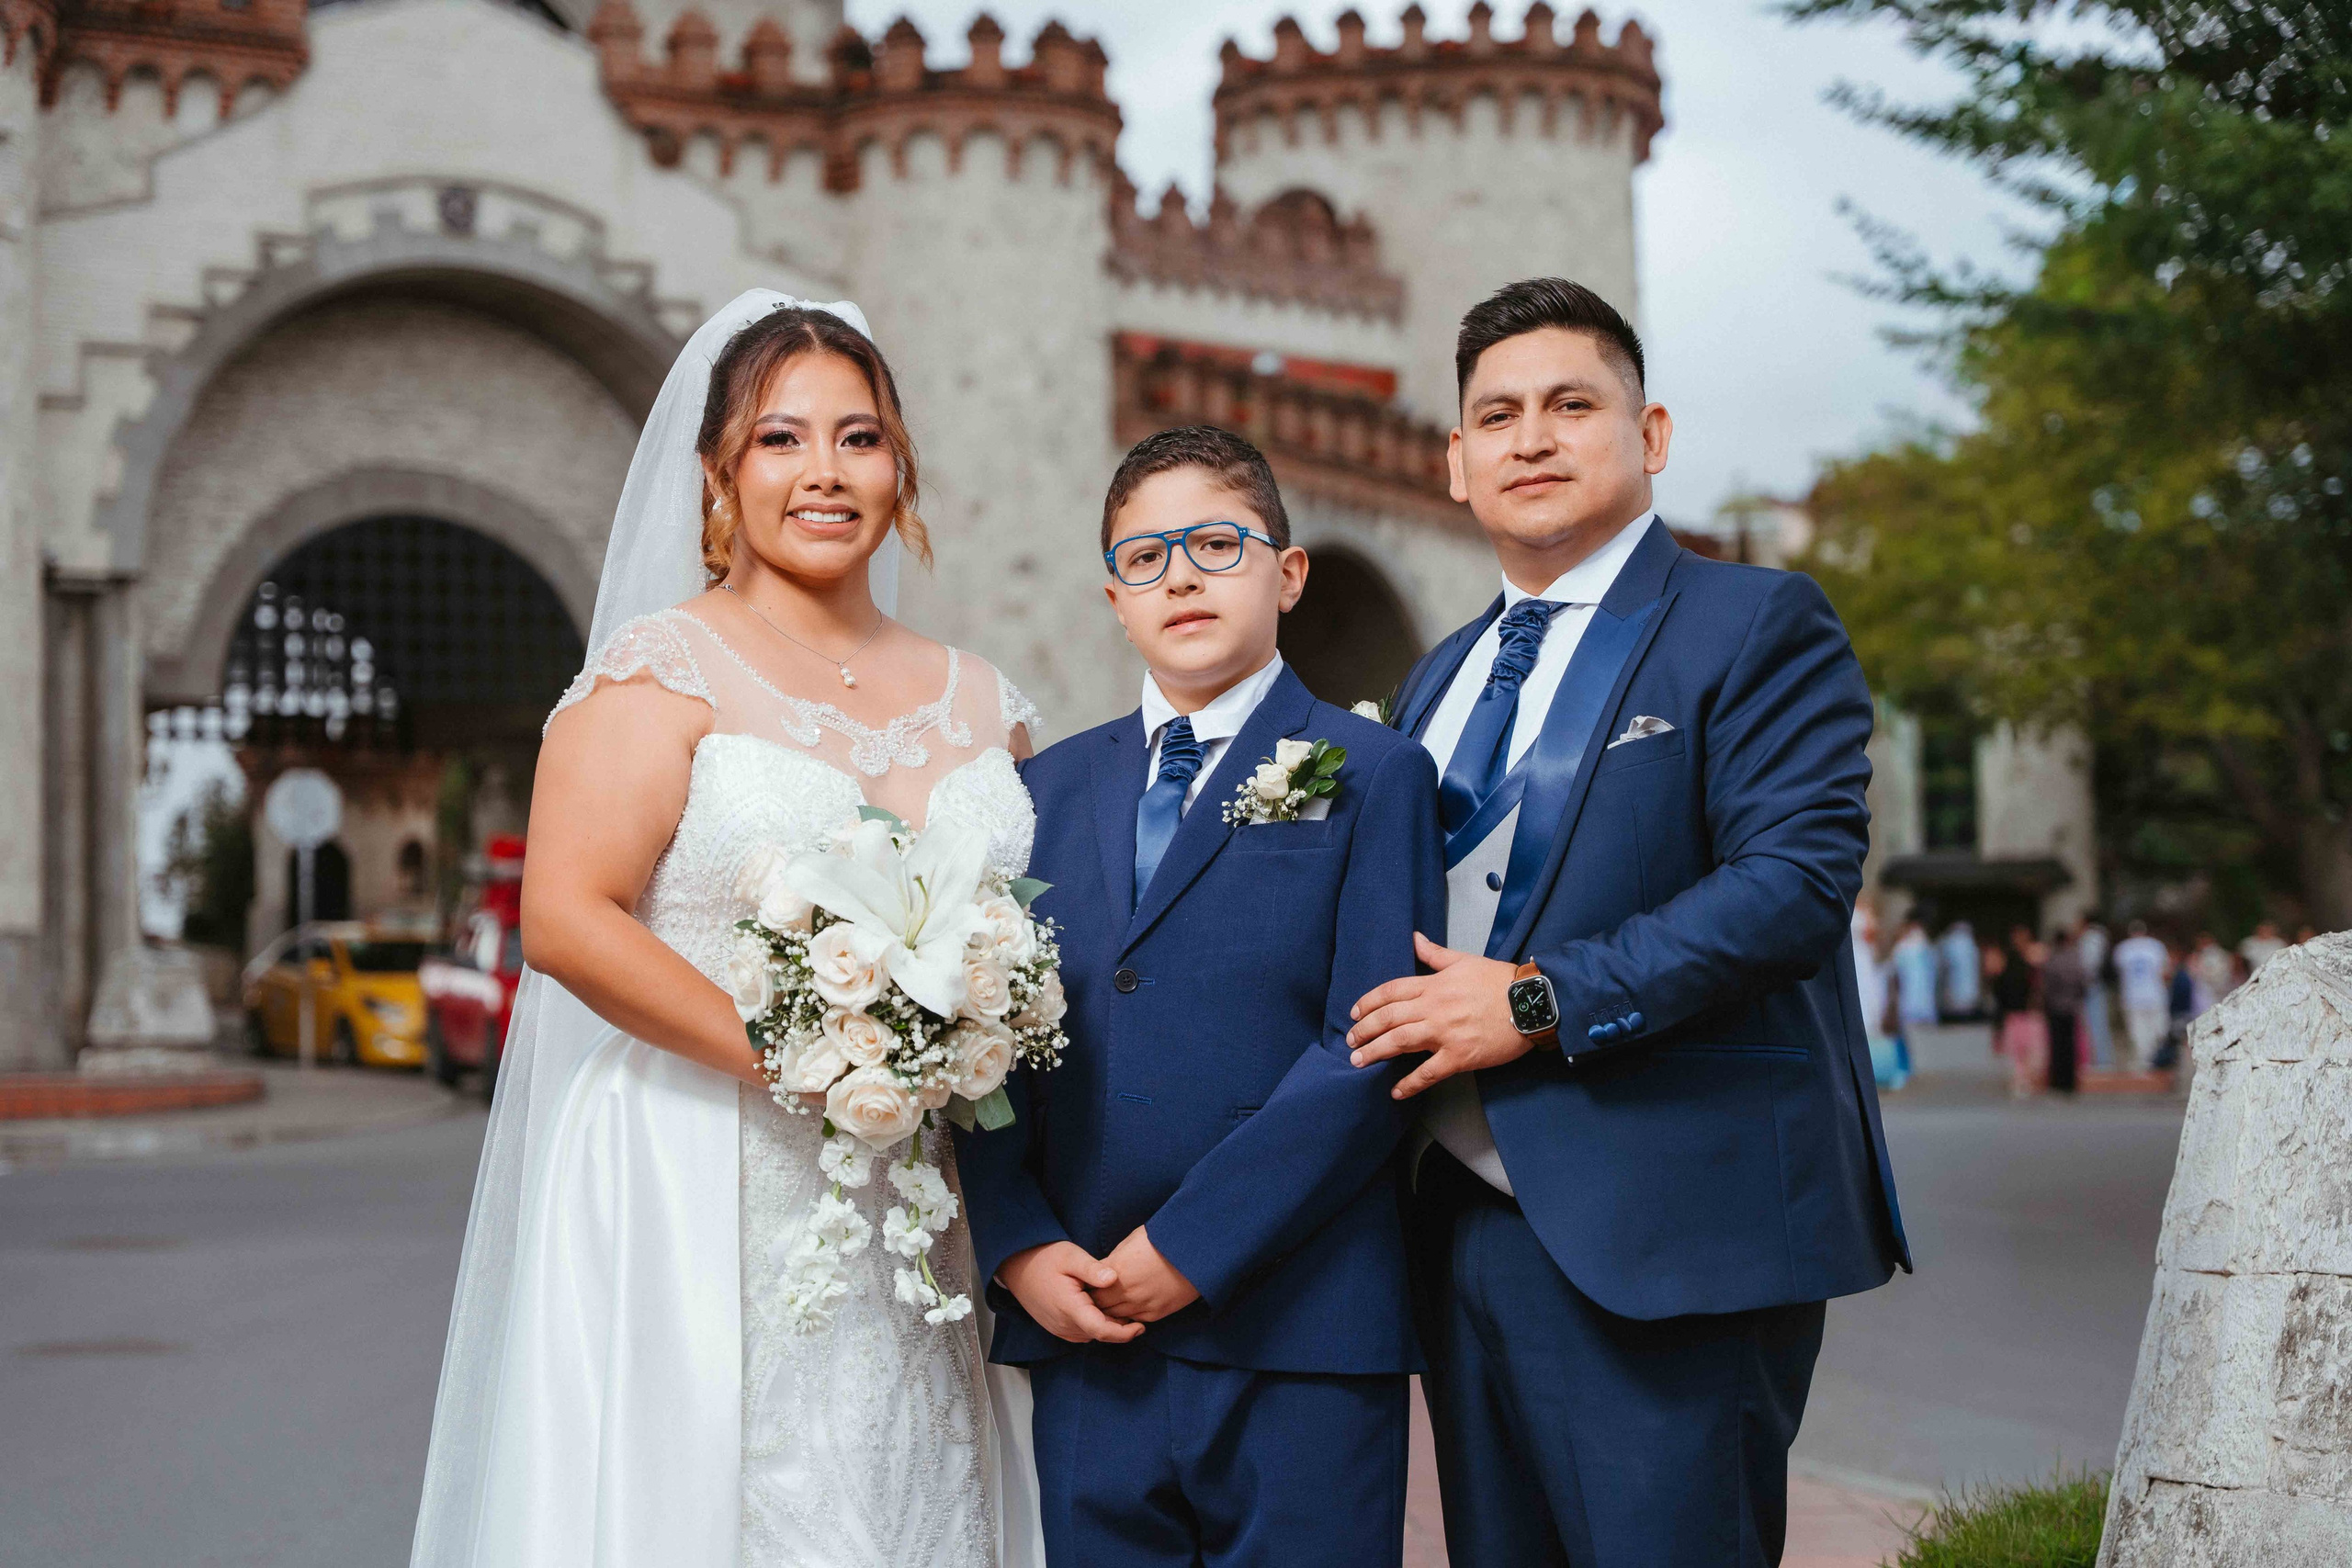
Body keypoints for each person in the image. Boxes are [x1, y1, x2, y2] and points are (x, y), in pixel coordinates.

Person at [409, 293, 1047, 1567]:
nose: (825, 471)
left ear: (900, 463)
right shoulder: (659, 672)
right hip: (699, 1177)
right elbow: (569, 918)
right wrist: (812, 1058)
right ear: (718, 473)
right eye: (780, 439)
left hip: (927, 1202)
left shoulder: (985, 699)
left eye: (859, 438)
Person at [1341, 279, 1907, 1568]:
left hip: (1665, 1226)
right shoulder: (1439, 672)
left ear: (1648, 434)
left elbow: (1794, 885)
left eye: (1569, 404)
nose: (1531, 438)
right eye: (1497, 415)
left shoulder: (1755, 622)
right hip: (1455, 1221)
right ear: (1456, 462)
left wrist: (1534, 999)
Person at [961, 426, 1443, 1568]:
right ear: (1114, 599)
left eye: (1216, 544)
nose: (1178, 574)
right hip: (1086, 1323)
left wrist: (1187, 1247)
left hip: (1300, 1329)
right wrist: (1021, 1243)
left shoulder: (1373, 773)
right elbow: (980, 1033)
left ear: (1288, 572)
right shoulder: (1042, 789)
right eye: (1144, 557)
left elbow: (1368, 1048)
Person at [1992, 925, 2045, 1097]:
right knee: (2024, 1052)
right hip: (2022, 1015)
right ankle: (2024, 1081)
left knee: (2023, 1053)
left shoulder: (2029, 963)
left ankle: (2023, 1081)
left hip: (2021, 1016)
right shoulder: (2023, 966)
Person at [2113, 919, 2170, 1071]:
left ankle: (2145, 1062)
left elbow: (2119, 973)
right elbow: (2165, 972)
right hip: (2155, 995)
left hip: (2133, 996)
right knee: (2157, 1030)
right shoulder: (2156, 946)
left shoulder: (2122, 949)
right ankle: (2157, 1060)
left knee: (2138, 1032)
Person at [2041, 928, 2086, 1096]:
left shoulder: (2052, 960)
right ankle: (2070, 1082)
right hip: (2072, 1007)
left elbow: (2046, 986)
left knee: (2057, 1046)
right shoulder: (2075, 959)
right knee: (2070, 1045)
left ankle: (2057, 1081)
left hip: (2055, 1007)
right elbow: (2083, 983)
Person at [2076, 916, 2115, 1069]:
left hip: (2092, 986)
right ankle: (2102, 1060)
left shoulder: (2091, 938)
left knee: (2095, 1024)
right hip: (2096, 985)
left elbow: (2089, 964)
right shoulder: (2101, 937)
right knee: (2098, 1023)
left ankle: (2102, 1061)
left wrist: (2083, 981)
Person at [1938, 917, 1981, 1019]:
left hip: (1953, 998)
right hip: (1970, 998)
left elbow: (1942, 969)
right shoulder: (1972, 946)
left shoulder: (1949, 943)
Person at [2189, 931, 2238, 1010]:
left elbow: (2222, 972)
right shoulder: (2199, 955)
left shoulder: (2215, 954)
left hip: (2214, 989)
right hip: (2204, 989)